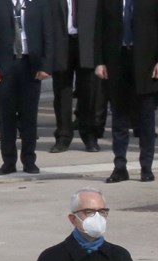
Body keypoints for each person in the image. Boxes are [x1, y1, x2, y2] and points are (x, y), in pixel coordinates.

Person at [94, 0, 158, 181]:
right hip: (117, 61)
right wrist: (99, 61)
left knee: (146, 119)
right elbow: (99, 30)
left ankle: (146, 167)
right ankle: (120, 167)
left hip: (146, 63)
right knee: (119, 118)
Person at [0, 0, 60, 174]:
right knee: (6, 116)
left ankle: (29, 160)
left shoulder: (40, 4)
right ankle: (8, 161)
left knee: (29, 116)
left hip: (30, 65)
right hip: (5, 65)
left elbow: (48, 36)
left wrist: (46, 66)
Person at [50, 0, 104, 151]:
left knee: (89, 92)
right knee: (62, 92)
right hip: (61, 43)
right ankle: (63, 135)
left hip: (87, 44)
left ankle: (89, 135)